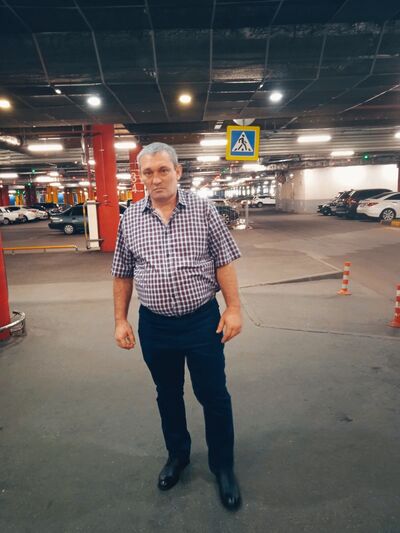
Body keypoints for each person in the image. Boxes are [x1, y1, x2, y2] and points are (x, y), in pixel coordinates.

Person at [112, 142, 242, 510]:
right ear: (140, 177)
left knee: (213, 395)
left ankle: (223, 466)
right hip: (155, 326)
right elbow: (122, 272)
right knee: (167, 394)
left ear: (178, 171)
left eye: (163, 170)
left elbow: (225, 260)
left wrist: (233, 308)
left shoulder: (203, 210)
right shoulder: (130, 218)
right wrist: (120, 319)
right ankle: (178, 456)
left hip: (202, 321)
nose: (155, 179)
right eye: (148, 172)